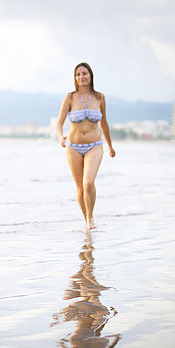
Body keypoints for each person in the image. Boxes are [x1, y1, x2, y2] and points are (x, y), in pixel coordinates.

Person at [55, 62, 115, 230]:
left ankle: (91, 218)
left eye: (85, 73)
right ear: (75, 78)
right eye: (78, 74)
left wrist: (110, 146)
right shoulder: (70, 97)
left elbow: (104, 123)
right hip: (73, 146)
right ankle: (86, 220)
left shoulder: (100, 97)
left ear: (91, 76)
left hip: (95, 145)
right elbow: (59, 123)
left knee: (89, 182)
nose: (82, 77)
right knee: (80, 188)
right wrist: (61, 138)